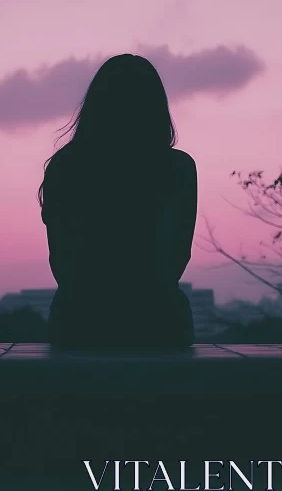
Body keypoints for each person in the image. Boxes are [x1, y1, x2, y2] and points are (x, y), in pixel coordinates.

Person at [38, 54, 197, 349]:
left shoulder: (65, 167)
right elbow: (177, 255)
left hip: (78, 323)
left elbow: (61, 259)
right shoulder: (177, 168)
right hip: (160, 324)